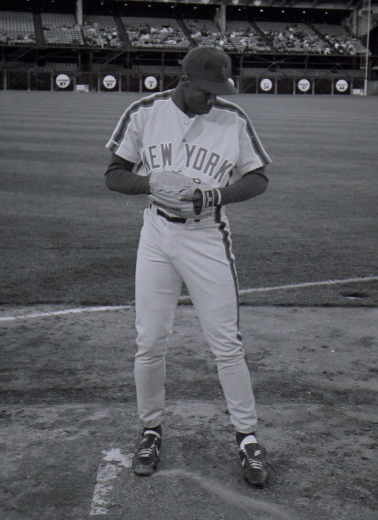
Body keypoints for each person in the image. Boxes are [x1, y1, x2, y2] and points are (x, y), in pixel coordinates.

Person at [104, 46, 271, 488]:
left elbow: (258, 178)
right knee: (150, 340)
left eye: (219, 91)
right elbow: (114, 173)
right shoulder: (144, 112)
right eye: (206, 91)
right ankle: (151, 429)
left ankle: (247, 437)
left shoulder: (232, 119)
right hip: (157, 235)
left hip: (206, 236)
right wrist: (150, 183)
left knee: (225, 344)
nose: (212, 99)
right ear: (185, 80)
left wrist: (216, 195)